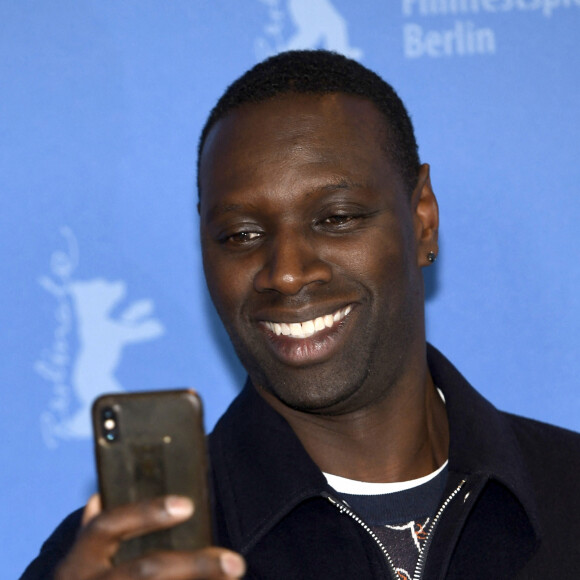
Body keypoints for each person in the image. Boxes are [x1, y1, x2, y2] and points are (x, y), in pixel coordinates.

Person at [22, 50, 580, 580]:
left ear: (423, 220)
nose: (286, 273)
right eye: (241, 234)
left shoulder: (566, 490)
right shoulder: (117, 562)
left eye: (336, 219)